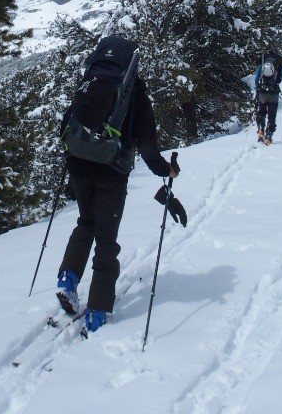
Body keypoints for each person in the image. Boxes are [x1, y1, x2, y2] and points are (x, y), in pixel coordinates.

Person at [56, 38, 185, 336]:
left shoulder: (89, 79)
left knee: (85, 222)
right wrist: (164, 170)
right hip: (111, 171)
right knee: (106, 240)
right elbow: (147, 143)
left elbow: (67, 122)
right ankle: (98, 311)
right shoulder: (133, 91)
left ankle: (68, 277)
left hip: (78, 163)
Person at [253, 45, 282, 145]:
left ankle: (260, 129)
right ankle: (269, 136)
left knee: (261, 111)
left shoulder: (263, 59)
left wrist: (258, 88)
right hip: (274, 93)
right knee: (272, 115)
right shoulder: (278, 61)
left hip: (262, 92)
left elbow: (256, 79)